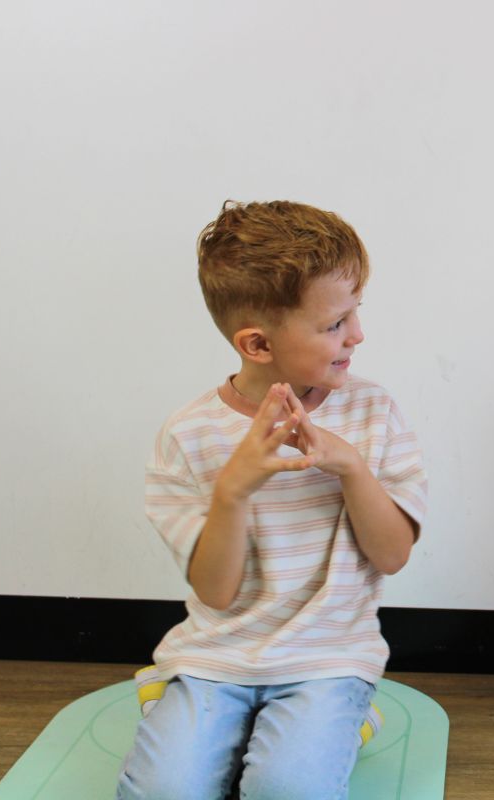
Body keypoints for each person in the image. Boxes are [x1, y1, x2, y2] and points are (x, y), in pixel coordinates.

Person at [117, 200, 427, 800]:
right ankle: (196, 703)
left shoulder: (373, 411)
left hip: (328, 657)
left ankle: (347, 715)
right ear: (258, 345)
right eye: (335, 323)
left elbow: (391, 556)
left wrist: (350, 467)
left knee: (287, 789)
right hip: (216, 657)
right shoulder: (188, 436)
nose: (357, 334)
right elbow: (215, 593)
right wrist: (234, 489)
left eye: (355, 312)